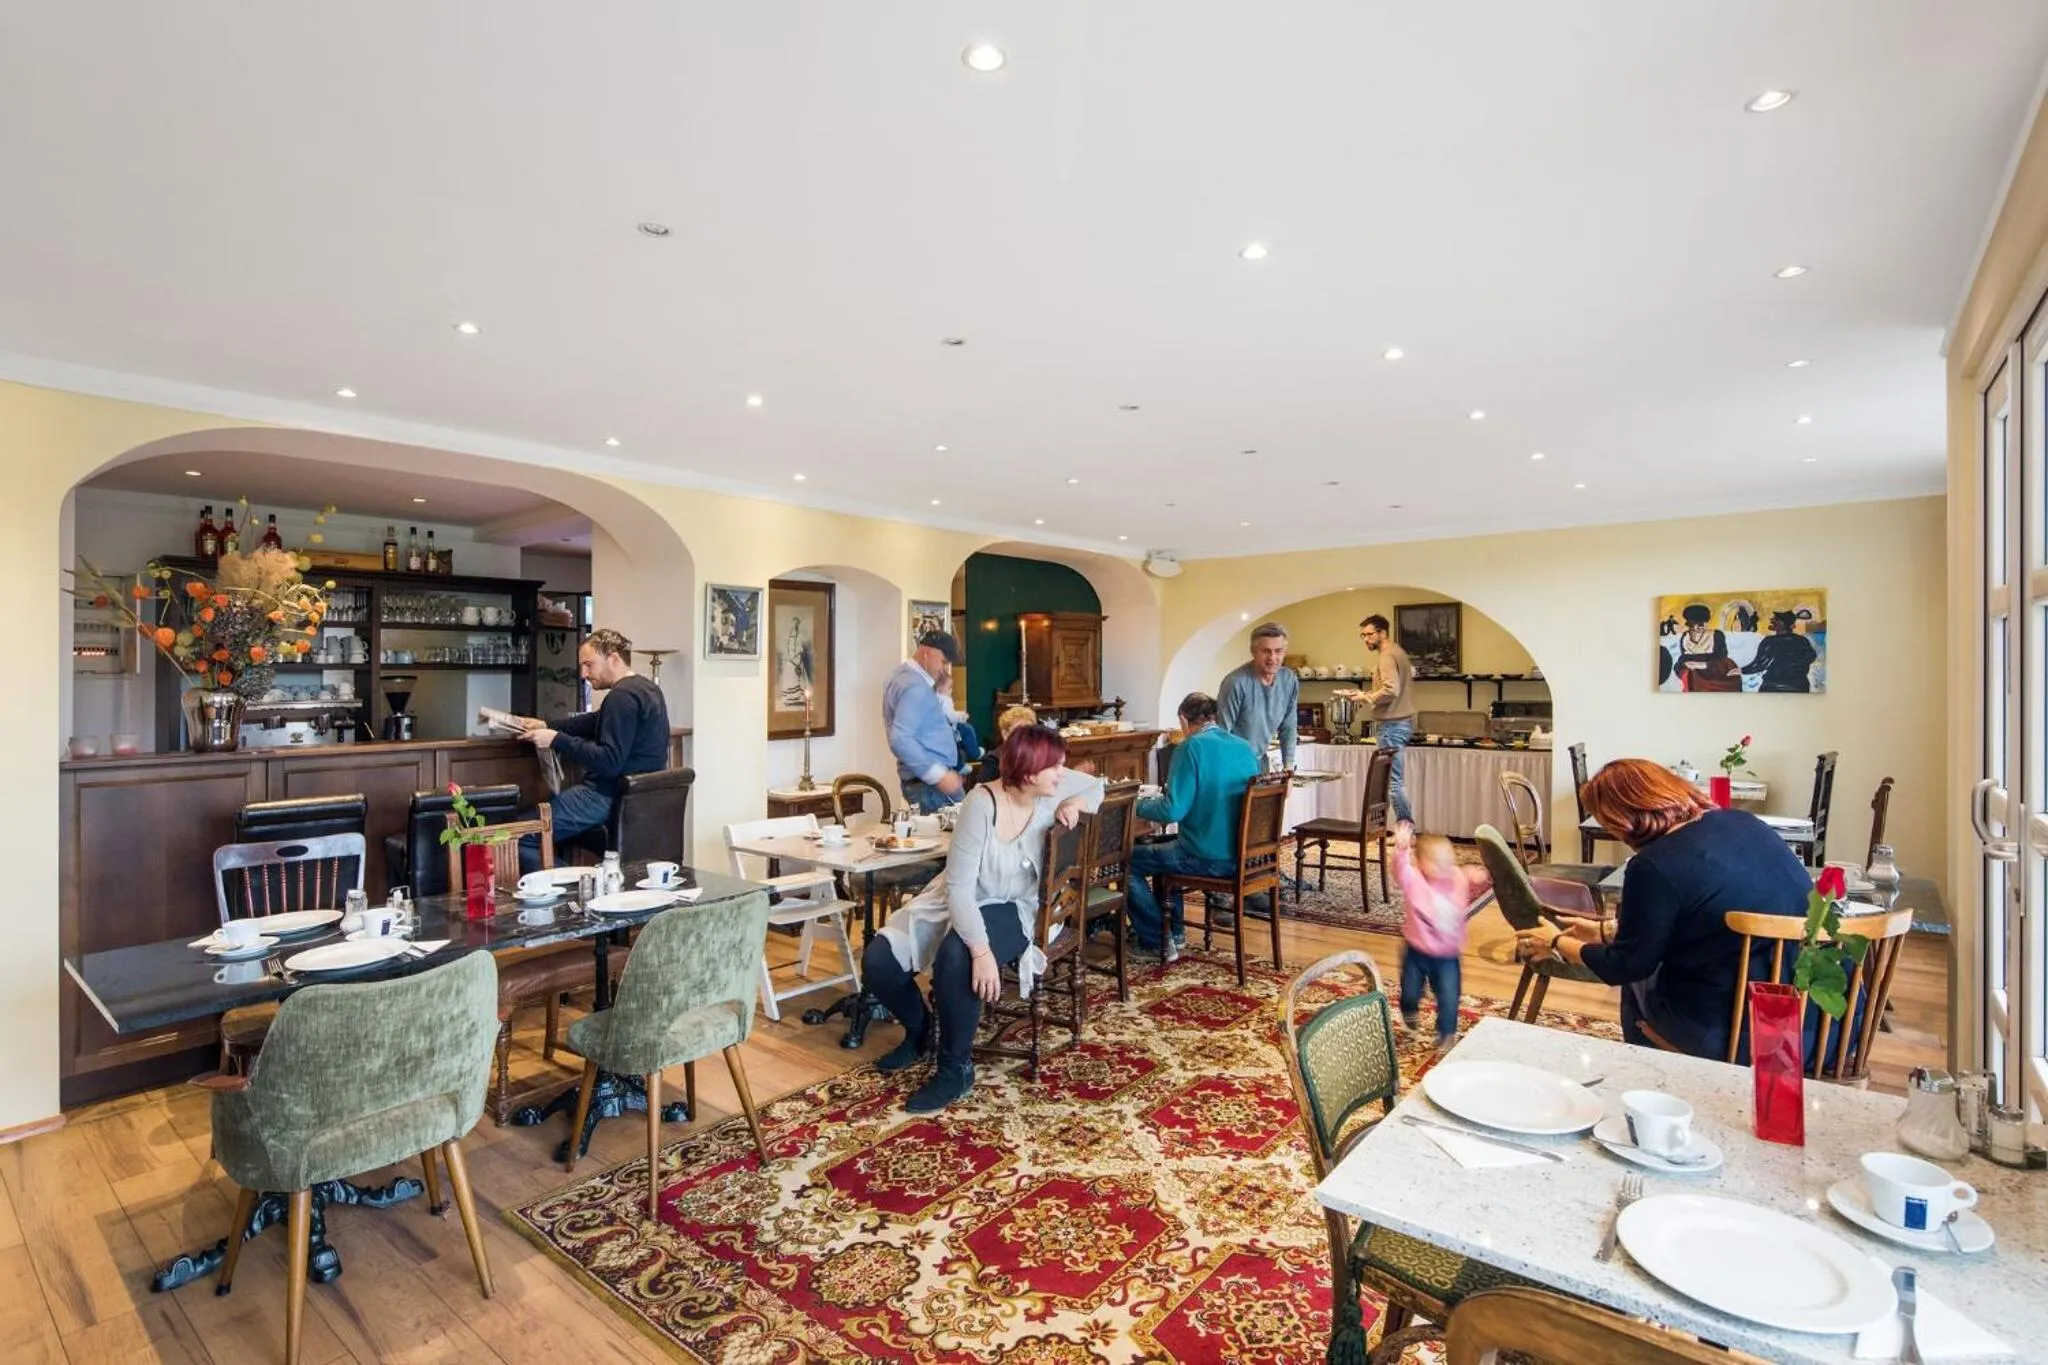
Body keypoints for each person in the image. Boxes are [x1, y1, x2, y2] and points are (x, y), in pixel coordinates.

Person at [862, 726, 1103, 1112]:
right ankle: (921, 1031)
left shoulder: (1050, 789)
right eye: (1055, 766)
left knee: (955, 958)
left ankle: (954, 1067)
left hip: (1020, 905)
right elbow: (959, 891)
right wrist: (983, 951)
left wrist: (1073, 805)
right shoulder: (982, 802)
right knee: (879, 960)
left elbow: (1095, 786)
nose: (1062, 771)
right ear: (1028, 771)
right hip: (959, 896)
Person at [1514, 759, 1810, 1060]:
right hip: (1814, 1023)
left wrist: (1556, 941)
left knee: (1640, 982)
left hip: (1736, 1033)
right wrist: (1607, 931)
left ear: (1621, 819)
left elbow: (1627, 965)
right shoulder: (1741, 821)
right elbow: (1712, 915)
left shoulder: (1653, 865)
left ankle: (1649, 1070)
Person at [516, 627, 670, 870]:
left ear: (614, 659)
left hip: (603, 795)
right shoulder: (647, 689)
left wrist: (556, 739)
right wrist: (547, 725)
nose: (583, 674)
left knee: (519, 836)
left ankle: (569, 893)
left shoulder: (621, 697)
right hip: (635, 799)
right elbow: (594, 720)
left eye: (589, 665)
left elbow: (610, 761)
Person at [1127, 692, 1263, 960]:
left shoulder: (1190, 747)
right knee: (1166, 854)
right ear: (1213, 716)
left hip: (1207, 856)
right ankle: (1174, 933)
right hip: (1245, 856)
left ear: (1183, 719)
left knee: (1126, 861)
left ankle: (1157, 940)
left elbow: (1172, 810)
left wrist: (1134, 804)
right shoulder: (1243, 746)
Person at [1391, 823, 1490, 1049]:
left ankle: (1446, 1034)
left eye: (1449, 861)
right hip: (1415, 951)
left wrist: (1479, 875)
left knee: (1448, 997)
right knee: (1409, 992)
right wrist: (1402, 847)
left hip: (1447, 956)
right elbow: (1399, 870)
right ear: (1421, 863)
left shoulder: (1458, 878)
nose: (1445, 866)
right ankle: (1410, 1014)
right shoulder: (1414, 879)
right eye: (1437, 862)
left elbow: (1477, 881)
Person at [1346, 614, 1417, 823]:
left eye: (1369, 634)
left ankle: (1406, 828)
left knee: (1393, 782)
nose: (1365, 639)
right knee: (1394, 781)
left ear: (1382, 633)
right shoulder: (1398, 652)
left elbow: (1391, 690)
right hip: (1400, 723)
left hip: (1392, 726)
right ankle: (1398, 827)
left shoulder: (1387, 655)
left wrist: (1365, 697)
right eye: (1362, 635)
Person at [886, 631, 967, 813]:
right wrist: (938, 775)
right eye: (943, 662)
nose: (944, 669)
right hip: (931, 786)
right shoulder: (915, 687)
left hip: (924, 783)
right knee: (954, 838)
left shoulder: (901, 676)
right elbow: (900, 738)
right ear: (926, 654)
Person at [1217, 622, 1299, 771]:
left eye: (1278, 651)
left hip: (1261, 763)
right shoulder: (1235, 682)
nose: (1272, 657)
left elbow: (1288, 728)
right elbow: (1222, 734)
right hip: (1233, 765)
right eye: (1266, 651)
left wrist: (1289, 769)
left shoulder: (1289, 680)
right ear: (1253, 651)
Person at [1741, 610, 1818, 693]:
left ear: (1784, 624)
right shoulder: (1802, 641)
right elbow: (1811, 656)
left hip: (1773, 687)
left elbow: (1759, 664)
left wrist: (1741, 670)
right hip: (1799, 687)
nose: (1771, 620)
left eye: (1776, 619)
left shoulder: (1770, 641)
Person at [976, 704, 1039, 785]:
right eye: (1018, 731)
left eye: (1029, 731)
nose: (1025, 735)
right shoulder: (993, 760)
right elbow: (981, 791)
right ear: (1005, 734)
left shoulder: (1039, 756)